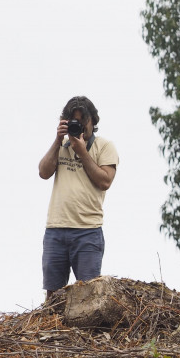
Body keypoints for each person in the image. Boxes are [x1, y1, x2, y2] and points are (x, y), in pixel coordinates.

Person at [38, 95, 119, 300]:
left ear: (93, 121)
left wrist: (82, 152)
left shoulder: (104, 146)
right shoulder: (61, 146)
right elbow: (43, 172)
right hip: (56, 229)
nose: (79, 127)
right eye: (73, 122)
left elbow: (105, 181)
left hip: (88, 231)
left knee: (89, 296)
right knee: (53, 297)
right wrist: (58, 140)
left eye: (83, 121)